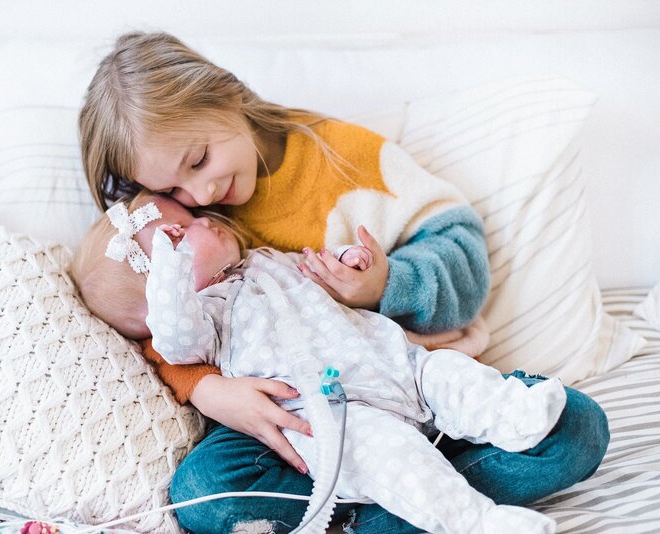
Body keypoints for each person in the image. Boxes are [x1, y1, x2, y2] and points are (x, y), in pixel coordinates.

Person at [77, 31, 610, 533]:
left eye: (198, 160)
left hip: (414, 387)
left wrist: (384, 285)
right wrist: (211, 390)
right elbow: (157, 322)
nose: (201, 194)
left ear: (225, 94)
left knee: (576, 427)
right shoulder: (164, 226)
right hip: (308, 428)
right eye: (172, 187)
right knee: (206, 489)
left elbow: (460, 254)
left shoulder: (343, 159)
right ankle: (407, 502)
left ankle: (404, 501)